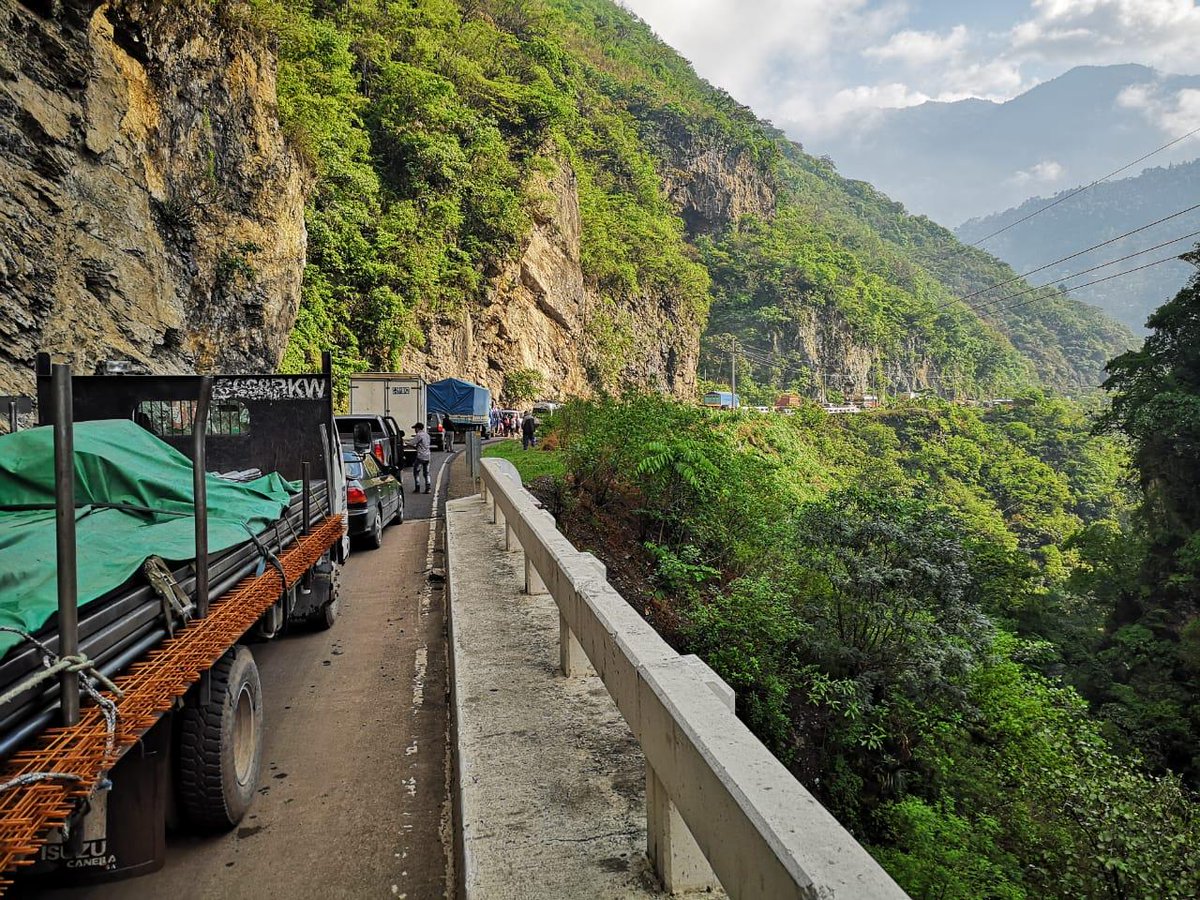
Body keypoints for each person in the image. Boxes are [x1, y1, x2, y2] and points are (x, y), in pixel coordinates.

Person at [412, 421, 431, 493]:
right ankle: (428, 488)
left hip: (420, 456)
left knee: (416, 471)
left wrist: (406, 444)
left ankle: (417, 487)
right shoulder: (427, 435)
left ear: (418, 428)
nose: (415, 430)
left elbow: (412, 443)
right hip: (427, 456)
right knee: (426, 473)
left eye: (415, 428)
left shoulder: (419, 435)